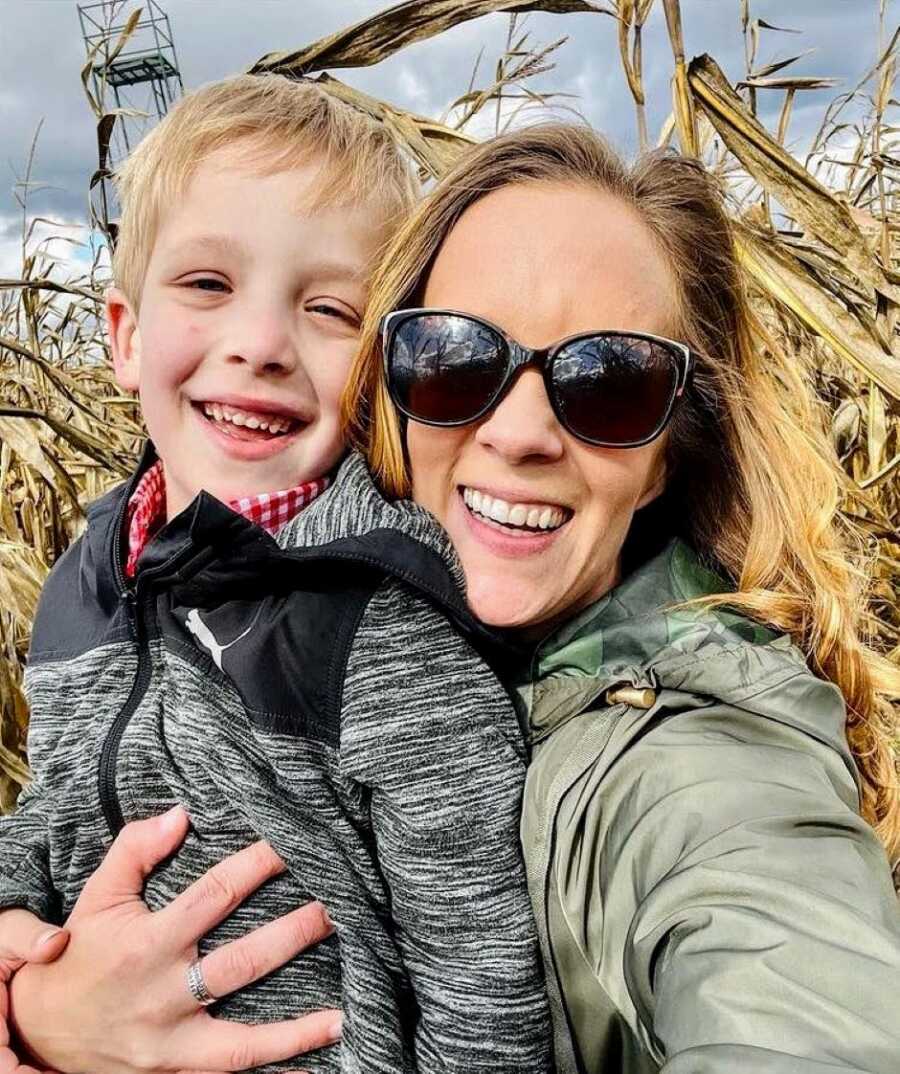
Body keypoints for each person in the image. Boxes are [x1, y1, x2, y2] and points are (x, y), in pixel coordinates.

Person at [5, 122, 900, 1073]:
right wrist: (37, 1005)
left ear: (668, 458)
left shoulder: (701, 778)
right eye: (455, 357)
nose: (519, 433)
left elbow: (798, 997)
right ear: (388, 387)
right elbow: (60, 801)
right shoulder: (132, 578)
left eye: (611, 384)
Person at [0, 76, 553, 1073]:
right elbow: (50, 815)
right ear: (125, 336)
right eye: (208, 285)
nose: (258, 345)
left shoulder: (385, 632)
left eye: (330, 308)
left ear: (381, 367)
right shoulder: (84, 586)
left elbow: (485, 997)